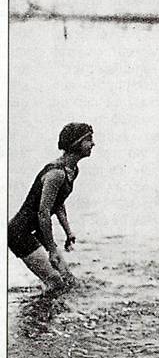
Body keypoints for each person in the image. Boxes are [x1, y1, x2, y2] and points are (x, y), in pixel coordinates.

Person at [8, 122, 95, 295]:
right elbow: (43, 212)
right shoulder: (56, 174)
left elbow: (59, 203)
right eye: (89, 140)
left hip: (36, 231)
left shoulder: (73, 170)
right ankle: (37, 319)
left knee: (71, 282)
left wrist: (68, 232)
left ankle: (51, 314)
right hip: (19, 234)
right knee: (56, 284)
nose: (93, 144)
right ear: (76, 143)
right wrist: (52, 249)